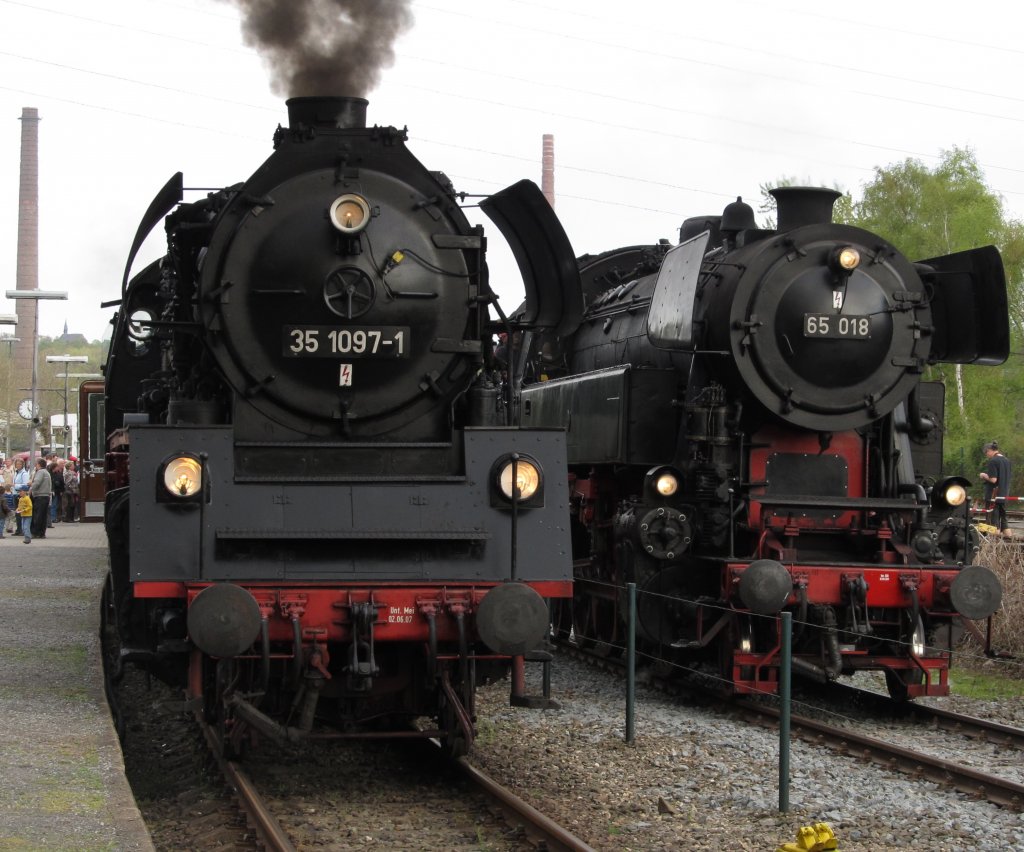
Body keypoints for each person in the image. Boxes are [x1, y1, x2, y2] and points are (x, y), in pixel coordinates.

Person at [980, 441, 1013, 538]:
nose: (987, 455)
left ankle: (994, 544)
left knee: (992, 520)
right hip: (1004, 493)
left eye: (986, 453)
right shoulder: (1007, 461)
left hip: (993, 495)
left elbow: (993, 479)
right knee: (1003, 518)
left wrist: (984, 475)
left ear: (990, 451)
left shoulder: (993, 461)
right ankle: (1009, 539)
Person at [28, 457, 52, 540]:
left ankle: (36, 533)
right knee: (43, 516)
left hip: (40, 496)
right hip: (46, 496)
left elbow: (37, 483)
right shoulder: (46, 472)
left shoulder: (40, 472)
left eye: (36, 463)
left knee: (38, 515)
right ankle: (42, 533)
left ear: (38, 464)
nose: (35, 465)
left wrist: (31, 484)